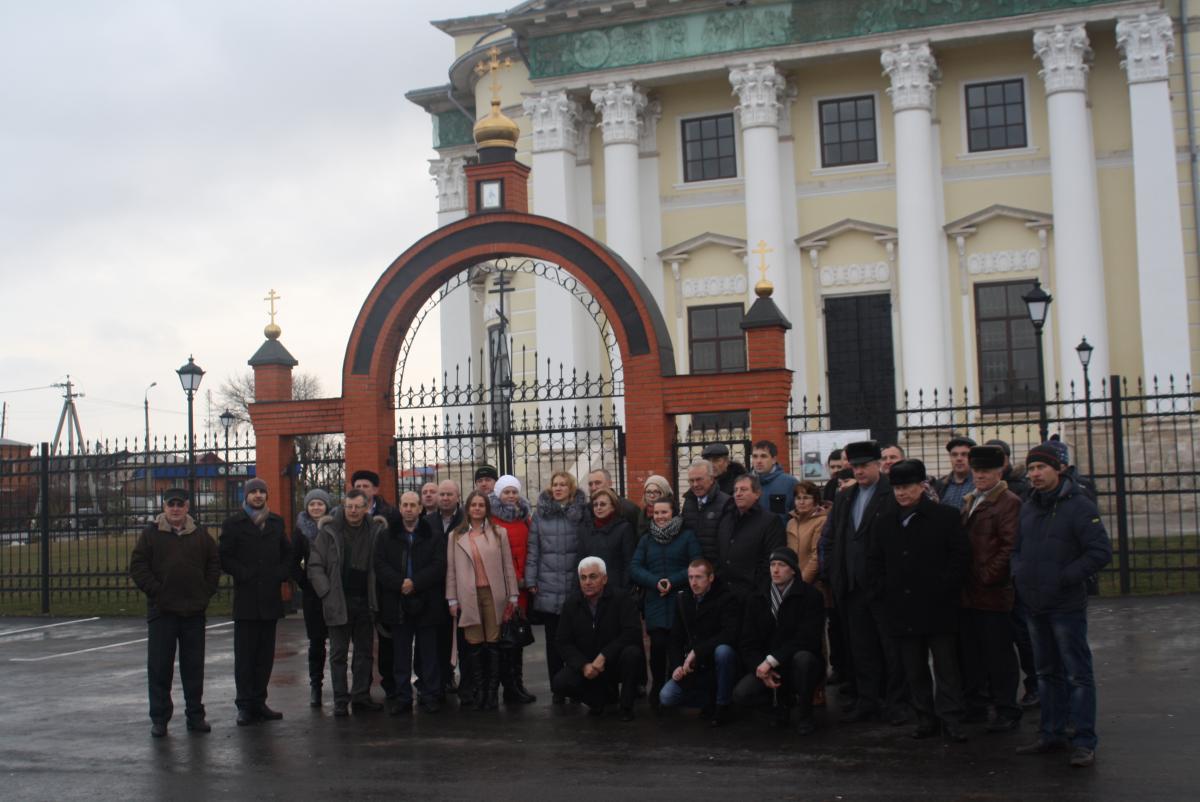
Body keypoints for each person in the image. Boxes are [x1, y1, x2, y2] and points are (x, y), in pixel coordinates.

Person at [1012, 443, 1112, 768]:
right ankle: (1050, 733)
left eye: (1041, 468)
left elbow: (1099, 552)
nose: (1035, 474)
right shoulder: (1028, 506)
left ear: (1060, 469)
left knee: (1077, 674)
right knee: (1046, 672)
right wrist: (1019, 573)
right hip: (1034, 603)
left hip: (1065, 605)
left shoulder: (1079, 506)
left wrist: (1065, 577)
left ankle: (1083, 739)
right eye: (1031, 469)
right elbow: (1018, 547)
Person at [868, 459, 970, 742]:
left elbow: (959, 558)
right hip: (901, 607)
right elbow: (874, 561)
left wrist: (945, 587)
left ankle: (951, 718)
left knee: (946, 666)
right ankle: (925, 717)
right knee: (913, 668)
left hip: (937, 606)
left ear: (922, 486)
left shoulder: (945, 517)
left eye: (907, 487)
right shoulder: (886, 522)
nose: (902, 493)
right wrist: (882, 589)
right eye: (897, 488)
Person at [822, 440, 907, 725]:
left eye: (863, 466)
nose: (858, 471)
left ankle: (896, 703)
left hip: (883, 588)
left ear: (879, 465)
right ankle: (867, 699)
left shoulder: (891, 494)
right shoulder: (846, 497)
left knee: (891, 649)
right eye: (854, 466)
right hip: (851, 586)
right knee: (861, 648)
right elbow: (832, 537)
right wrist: (835, 575)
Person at [129, 487, 220, 737]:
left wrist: (205, 591)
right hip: (163, 612)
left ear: (188, 507)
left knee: (193, 668)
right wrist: (157, 592)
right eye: (171, 505)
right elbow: (138, 566)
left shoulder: (200, 535)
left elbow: (214, 563)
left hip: (193, 611)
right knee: (160, 667)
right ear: (164, 507)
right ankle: (160, 718)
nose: (176, 509)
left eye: (180, 504)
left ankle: (195, 716)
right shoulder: (151, 535)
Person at [959, 445, 1023, 732]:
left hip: (993, 592)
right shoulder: (973, 499)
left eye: (985, 471)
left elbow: (1010, 547)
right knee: (973, 653)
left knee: (999, 655)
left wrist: (987, 576)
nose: (980, 476)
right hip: (970, 592)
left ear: (999, 471)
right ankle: (978, 705)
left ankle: (1007, 708)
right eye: (976, 471)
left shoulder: (1008, 502)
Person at [308, 489, 387, 717]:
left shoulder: (376, 530)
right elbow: (314, 566)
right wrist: (326, 593)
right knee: (338, 654)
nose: (353, 511)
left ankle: (361, 696)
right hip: (338, 600)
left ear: (366, 508)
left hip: (366, 600)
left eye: (357, 507)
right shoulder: (329, 531)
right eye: (349, 506)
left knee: (364, 652)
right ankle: (341, 700)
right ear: (343, 506)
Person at [218, 477, 289, 726]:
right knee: (245, 656)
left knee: (265, 656)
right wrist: (243, 573)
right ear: (245, 496)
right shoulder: (233, 524)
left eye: (262, 491)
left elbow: (287, 555)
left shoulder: (276, 523)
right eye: (253, 492)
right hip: (247, 600)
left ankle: (260, 701)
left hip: (269, 599)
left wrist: (279, 574)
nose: (258, 495)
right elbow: (225, 557)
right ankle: (245, 705)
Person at [733, 548, 826, 735]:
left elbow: (807, 639)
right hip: (769, 666)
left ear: (793, 570)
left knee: (804, 660)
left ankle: (805, 715)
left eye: (781, 565)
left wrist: (772, 660)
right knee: (741, 695)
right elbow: (748, 643)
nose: (775, 570)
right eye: (772, 565)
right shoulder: (757, 598)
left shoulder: (810, 596)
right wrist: (760, 668)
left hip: (797, 662)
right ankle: (778, 709)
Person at [447, 490, 520, 711]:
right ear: (467, 508)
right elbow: (451, 569)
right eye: (473, 505)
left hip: (493, 593)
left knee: (494, 642)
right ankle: (478, 690)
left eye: (481, 505)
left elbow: (508, 566)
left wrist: (513, 595)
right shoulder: (456, 535)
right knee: (474, 644)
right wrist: (451, 599)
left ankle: (491, 692)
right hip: (468, 595)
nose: (477, 508)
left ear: (486, 508)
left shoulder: (499, 533)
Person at [375, 491, 446, 715]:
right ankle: (403, 697)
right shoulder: (387, 536)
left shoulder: (433, 536)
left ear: (419, 509)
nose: (408, 509)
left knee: (428, 653)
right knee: (401, 654)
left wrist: (414, 583)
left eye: (413, 505)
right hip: (397, 601)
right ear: (399, 507)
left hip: (426, 600)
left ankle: (430, 694)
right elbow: (380, 565)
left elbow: (438, 566)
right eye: (404, 505)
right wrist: (400, 584)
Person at [630, 498, 702, 710]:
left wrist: (673, 581)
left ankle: (677, 687)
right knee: (658, 645)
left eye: (665, 512)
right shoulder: (646, 539)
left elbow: (696, 563)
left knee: (677, 645)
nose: (660, 516)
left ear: (674, 513)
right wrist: (654, 582)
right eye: (657, 512)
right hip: (655, 600)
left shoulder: (687, 536)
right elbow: (634, 567)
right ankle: (658, 686)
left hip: (680, 598)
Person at [552, 557, 644, 721]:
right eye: (583, 577)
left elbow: (633, 632)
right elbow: (562, 642)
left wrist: (604, 655)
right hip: (588, 665)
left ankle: (626, 707)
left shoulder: (621, 598)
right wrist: (583, 665)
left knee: (633, 653)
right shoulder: (572, 603)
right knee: (560, 683)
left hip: (615, 661)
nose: (587, 582)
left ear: (605, 579)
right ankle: (597, 702)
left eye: (593, 576)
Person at [525, 471, 587, 702]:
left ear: (570, 488)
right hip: (548, 585)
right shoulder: (540, 516)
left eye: (563, 484)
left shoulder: (581, 514)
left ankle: (575, 685)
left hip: (575, 585)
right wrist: (531, 580)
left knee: (576, 640)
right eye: (555, 485)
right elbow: (534, 550)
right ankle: (557, 688)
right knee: (553, 642)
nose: (558, 488)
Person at [659, 557, 741, 725]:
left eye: (699, 577)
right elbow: (675, 638)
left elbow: (730, 633)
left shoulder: (726, 598)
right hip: (693, 667)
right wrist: (676, 666)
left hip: (715, 662)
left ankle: (722, 705)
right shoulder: (683, 599)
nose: (693, 582)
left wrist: (697, 651)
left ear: (710, 578)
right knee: (666, 697)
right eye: (690, 577)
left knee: (723, 651)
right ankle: (708, 701)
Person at [350, 469, 398, 700]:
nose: (362, 489)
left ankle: (390, 685)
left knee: (387, 638)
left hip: (383, 586)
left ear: (375, 490)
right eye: (358, 485)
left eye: (366, 486)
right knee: (361, 643)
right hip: (358, 588)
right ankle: (361, 689)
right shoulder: (347, 514)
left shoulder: (390, 514)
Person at [489, 474, 537, 704]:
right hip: (504, 587)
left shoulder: (525, 517)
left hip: (523, 588)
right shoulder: (493, 520)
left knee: (517, 635)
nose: (510, 496)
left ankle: (518, 682)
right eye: (506, 492)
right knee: (505, 638)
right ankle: (508, 686)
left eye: (514, 491)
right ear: (499, 494)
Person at [786, 480, 830, 703]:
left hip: (811, 588)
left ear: (815, 500)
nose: (801, 501)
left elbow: (816, 556)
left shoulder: (822, 521)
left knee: (816, 640)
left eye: (806, 497)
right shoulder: (791, 522)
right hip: (793, 588)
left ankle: (818, 687)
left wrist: (801, 582)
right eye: (798, 497)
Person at [290, 488, 333, 707]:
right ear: (307, 507)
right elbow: (292, 561)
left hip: (335, 593)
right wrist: (304, 582)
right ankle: (316, 686)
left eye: (320, 504)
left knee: (338, 642)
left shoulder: (335, 526)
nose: (316, 507)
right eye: (312, 504)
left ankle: (341, 686)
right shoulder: (300, 531)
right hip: (312, 596)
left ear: (327, 506)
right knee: (316, 642)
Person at [426, 479, 463, 697]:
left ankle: (465, 680)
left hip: (461, 585)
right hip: (434, 588)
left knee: (463, 637)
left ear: (458, 497)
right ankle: (441, 679)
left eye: (450, 494)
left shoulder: (465, 520)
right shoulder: (428, 522)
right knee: (439, 637)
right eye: (442, 495)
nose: (446, 498)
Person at [720, 475, 785, 597]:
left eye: (743, 490)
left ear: (757, 494)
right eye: (736, 490)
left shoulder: (770, 521)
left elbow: (771, 559)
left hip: (753, 594)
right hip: (726, 594)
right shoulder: (726, 519)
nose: (738, 494)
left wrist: (757, 587)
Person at [578, 487, 637, 594]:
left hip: (615, 590)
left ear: (613, 507)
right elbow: (579, 561)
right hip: (589, 590)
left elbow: (628, 563)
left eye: (603, 504)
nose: (598, 508)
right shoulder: (585, 529)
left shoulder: (624, 528)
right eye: (595, 505)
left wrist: (624, 591)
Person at [681, 458, 735, 565]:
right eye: (691, 480)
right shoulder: (688, 502)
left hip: (717, 569)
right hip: (694, 569)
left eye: (699, 479)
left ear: (711, 479)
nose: (695, 484)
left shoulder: (727, 502)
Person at [751, 439, 799, 526]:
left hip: (779, 537)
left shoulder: (790, 483)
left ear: (774, 459)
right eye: (755, 456)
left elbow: (799, 516)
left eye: (763, 456)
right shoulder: (745, 482)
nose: (758, 461)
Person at [934, 436, 976, 510]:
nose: (959, 459)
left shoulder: (979, 483)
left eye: (964, 454)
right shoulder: (940, 485)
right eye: (954, 455)